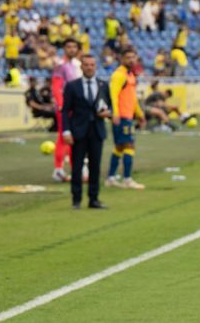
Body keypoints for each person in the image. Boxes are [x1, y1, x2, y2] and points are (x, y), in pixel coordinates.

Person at [61, 55, 112, 209]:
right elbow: (65, 111)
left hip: (97, 130)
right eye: (86, 65)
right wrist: (66, 131)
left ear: (96, 66)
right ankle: (76, 200)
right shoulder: (72, 86)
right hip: (78, 131)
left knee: (95, 166)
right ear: (81, 67)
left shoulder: (103, 85)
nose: (89, 67)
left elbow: (110, 106)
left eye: (92, 64)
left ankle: (94, 199)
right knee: (77, 167)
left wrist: (108, 113)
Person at [106, 47, 145, 189]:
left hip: (127, 115)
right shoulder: (119, 75)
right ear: (121, 59)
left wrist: (139, 114)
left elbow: (133, 98)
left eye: (133, 57)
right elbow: (113, 95)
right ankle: (127, 179)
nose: (131, 60)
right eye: (128, 57)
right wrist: (115, 113)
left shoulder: (130, 75)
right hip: (122, 116)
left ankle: (111, 178)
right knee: (129, 145)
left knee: (120, 146)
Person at [49, 37, 83, 181]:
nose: (71, 49)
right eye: (69, 47)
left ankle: (76, 169)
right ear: (64, 49)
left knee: (74, 138)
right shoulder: (60, 65)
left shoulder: (77, 64)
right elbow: (56, 86)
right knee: (63, 136)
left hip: (77, 107)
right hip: (65, 107)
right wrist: (61, 105)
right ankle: (58, 169)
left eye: (74, 47)